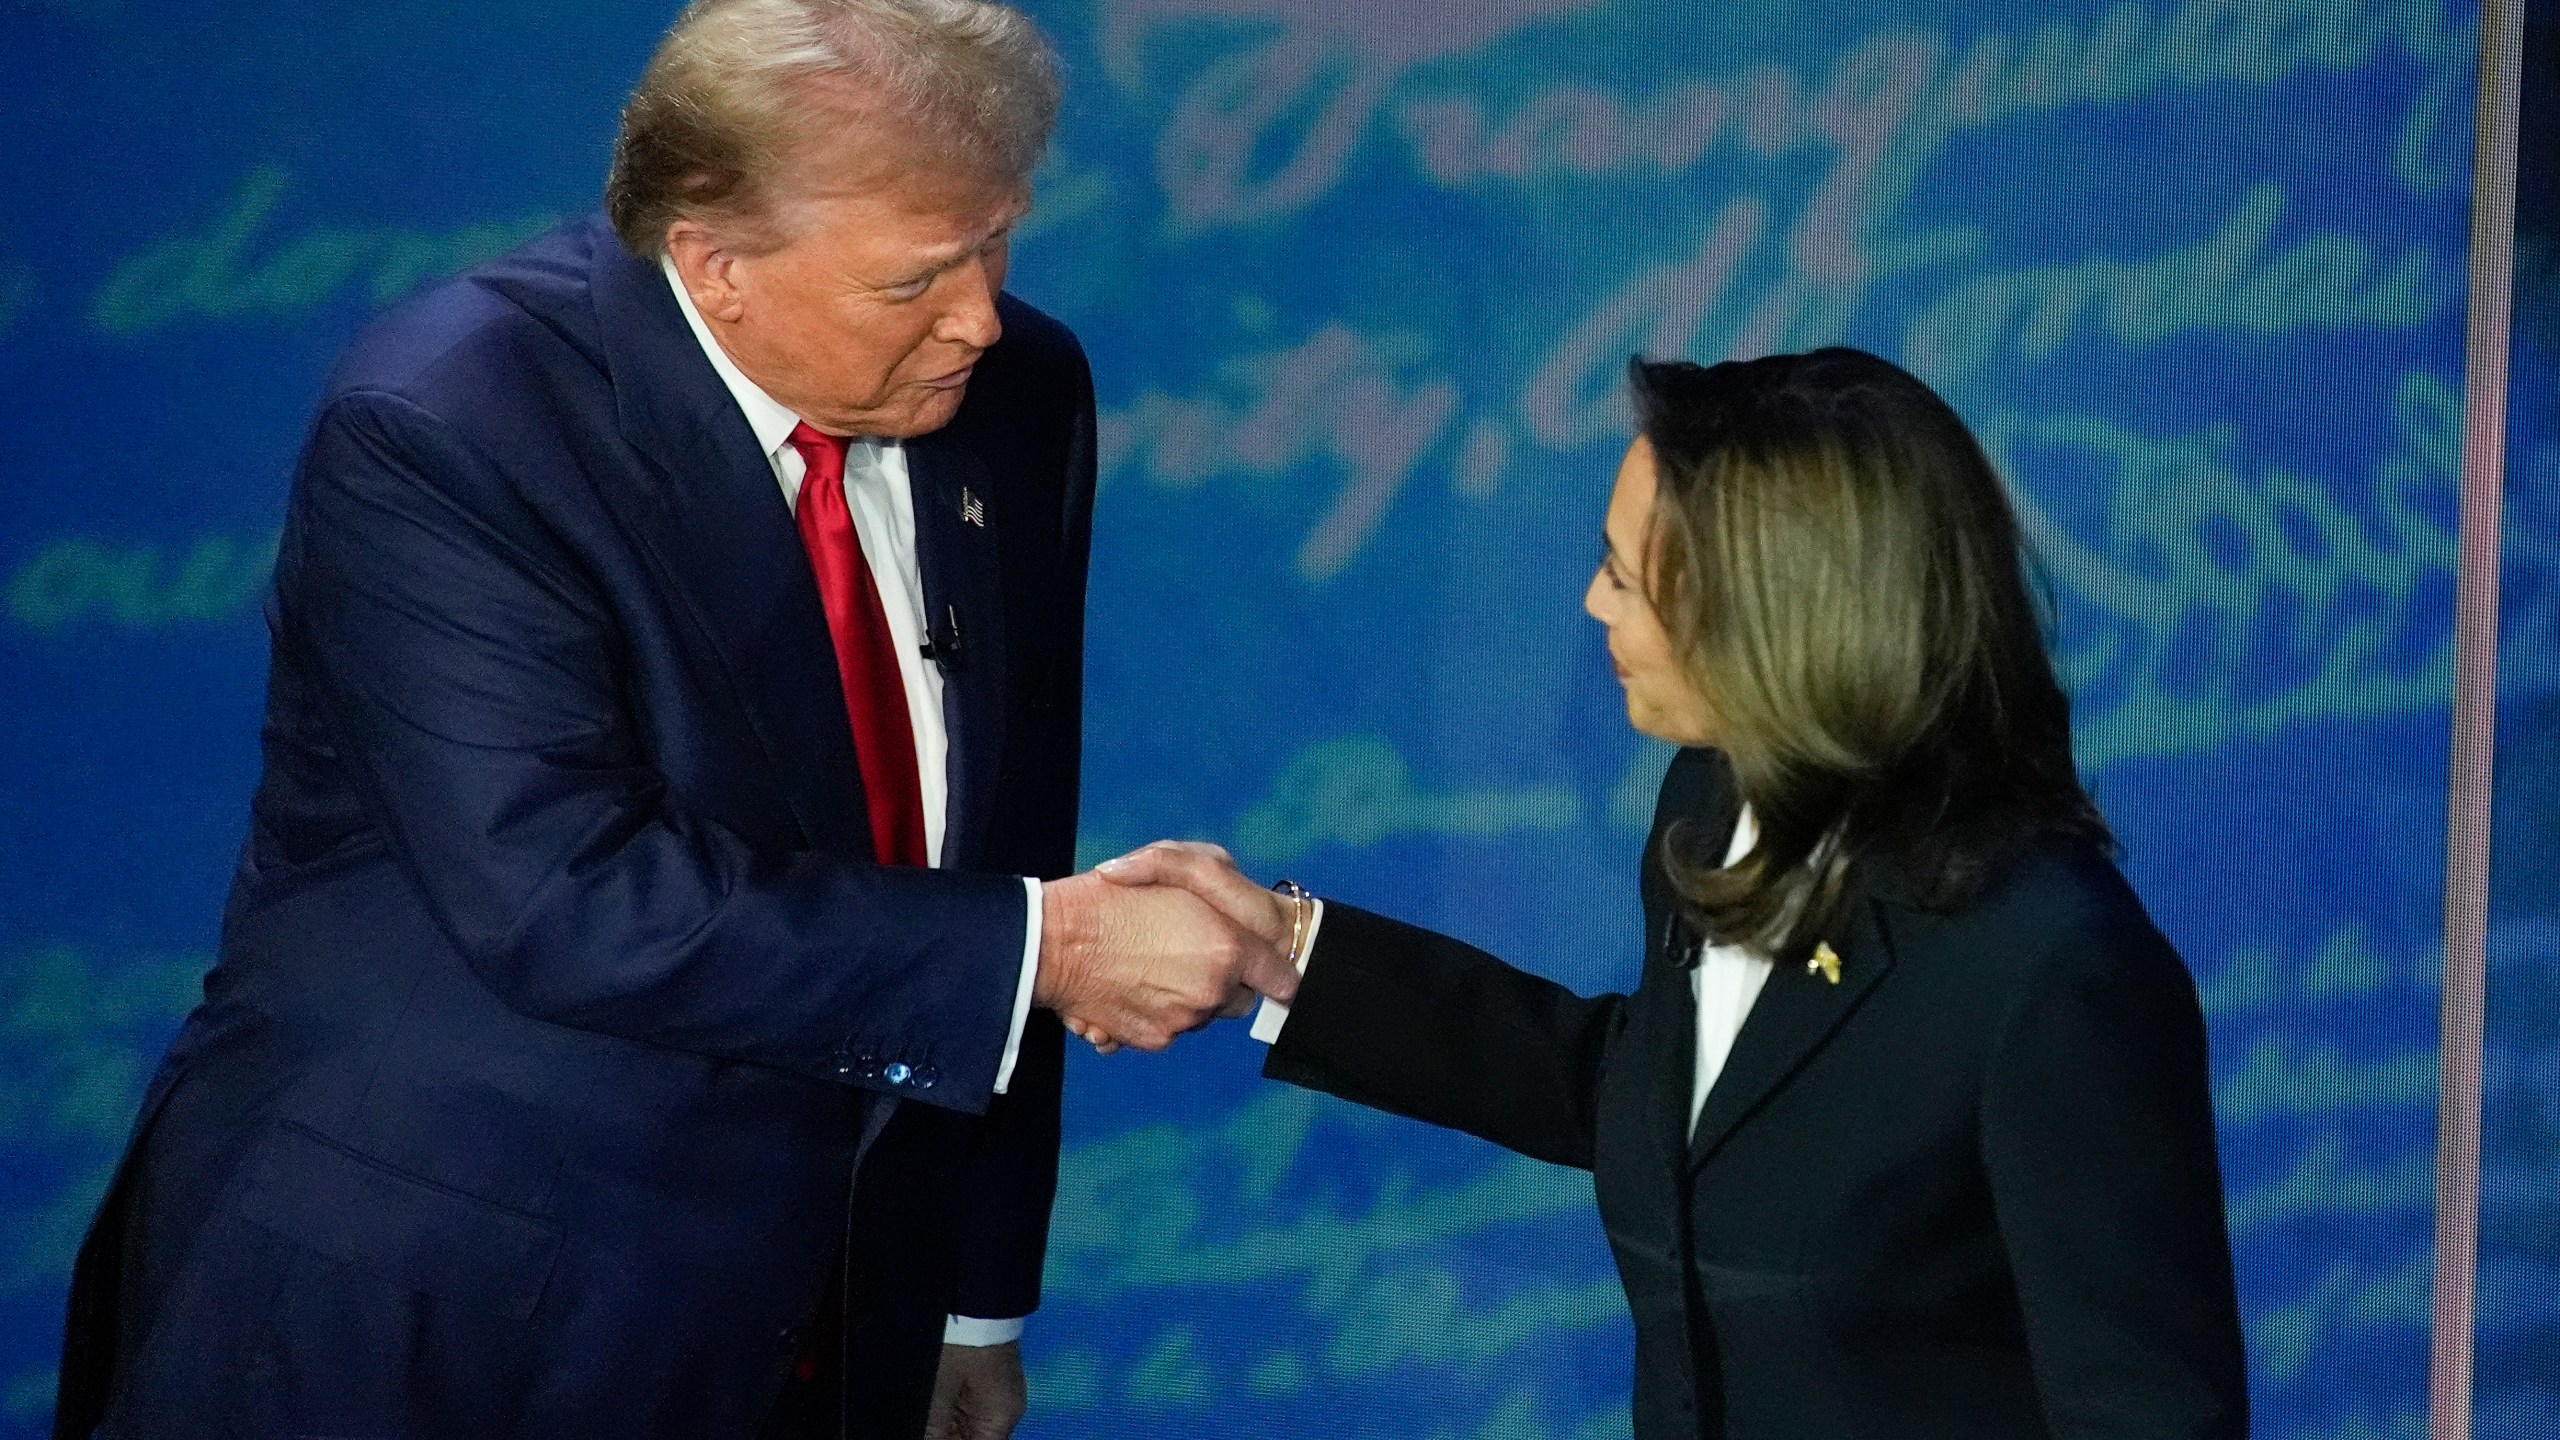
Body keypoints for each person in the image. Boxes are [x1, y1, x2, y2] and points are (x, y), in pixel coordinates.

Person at [51, 3, 1293, 1438]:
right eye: (918, 277)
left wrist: (967, 1291)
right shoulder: (454, 425)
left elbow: (1003, 830)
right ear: (713, 261)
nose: (980, 313)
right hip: (441, 1300)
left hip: (818, 1316)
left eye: (998, 241)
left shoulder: (1018, 396)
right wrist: (1062, 946)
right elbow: (566, 895)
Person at [1099, 349, 2251, 1438]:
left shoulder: (2050, 971)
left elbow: (2145, 1417)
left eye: (1623, 575)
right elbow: (1669, 1107)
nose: (1596, 607)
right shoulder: (1708, 800)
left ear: (1777, 620)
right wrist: (1290, 951)